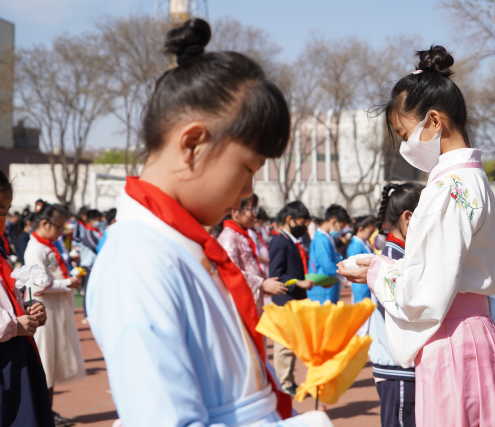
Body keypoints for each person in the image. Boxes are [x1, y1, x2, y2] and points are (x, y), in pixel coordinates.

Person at [86, 18, 329, 426]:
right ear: (193, 144)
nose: (248, 190)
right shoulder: (138, 261)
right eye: (248, 168)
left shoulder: (175, 247)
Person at [339, 45, 495, 426]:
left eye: (406, 133)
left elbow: (425, 291)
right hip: (468, 335)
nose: (406, 145)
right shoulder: (468, 180)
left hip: (451, 342)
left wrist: (375, 271)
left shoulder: (450, 188)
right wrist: (382, 265)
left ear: (435, 122)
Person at [0, 171, 53, 427]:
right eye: (0, 211)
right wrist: (12, 324)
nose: (4, 219)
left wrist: (28, 307)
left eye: (6, 211)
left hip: (18, 358)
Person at [24, 204, 84, 426]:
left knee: (53, 361)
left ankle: (48, 411)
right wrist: (68, 282)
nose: (60, 232)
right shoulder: (35, 249)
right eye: (58, 227)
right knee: (46, 361)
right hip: (46, 310)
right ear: (44, 223)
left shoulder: (51, 244)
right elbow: (41, 284)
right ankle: (44, 414)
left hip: (58, 308)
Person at [370, 182, 423, 427]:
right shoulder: (392, 260)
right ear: (408, 217)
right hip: (397, 366)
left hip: (405, 365)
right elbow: (404, 308)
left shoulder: (404, 255)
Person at [268, 201, 314, 396]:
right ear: (290, 220)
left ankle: (289, 380)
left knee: (292, 343)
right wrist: (297, 283)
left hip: (294, 300)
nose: (303, 227)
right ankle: (284, 384)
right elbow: (276, 274)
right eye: (301, 222)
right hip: (284, 300)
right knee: (284, 346)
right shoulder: (280, 241)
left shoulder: (291, 241)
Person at [219, 194, 286, 312]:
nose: (255, 215)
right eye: (251, 209)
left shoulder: (241, 235)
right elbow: (230, 271)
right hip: (241, 303)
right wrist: (261, 283)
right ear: (235, 212)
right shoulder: (229, 237)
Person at [307, 204, 350, 304]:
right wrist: (344, 275)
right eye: (341, 226)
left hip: (329, 287)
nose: (340, 230)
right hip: (322, 289)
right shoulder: (320, 239)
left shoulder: (327, 237)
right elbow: (327, 265)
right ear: (333, 221)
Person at [347, 215, 377, 303]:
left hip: (366, 283)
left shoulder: (364, 243)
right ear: (360, 229)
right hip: (360, 285)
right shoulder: (355, 244)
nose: (371, 235)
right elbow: (354, 265)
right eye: (370, 232)